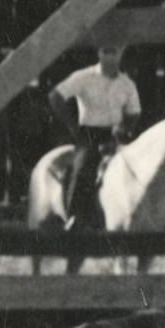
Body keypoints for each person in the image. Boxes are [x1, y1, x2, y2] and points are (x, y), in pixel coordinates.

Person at [51, 45, 141, 230]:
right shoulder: (83, 77)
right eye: (105, 52)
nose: (110, 58)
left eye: (114, 52)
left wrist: (125, 128)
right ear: (99, 53)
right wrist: (72, 126)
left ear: (121, 54)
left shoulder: (127, 84)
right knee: (83, 168)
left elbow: (134, 112)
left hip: (115, 135)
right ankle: (74, 216)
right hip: (89, 135)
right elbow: (55, 96)